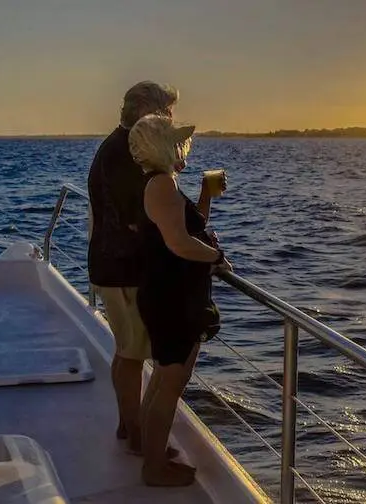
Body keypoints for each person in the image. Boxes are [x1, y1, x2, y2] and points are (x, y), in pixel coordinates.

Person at [128, 113, 231, 486]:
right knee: (169, 384)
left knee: (163, 379)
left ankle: (148, 451)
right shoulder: (161, 186)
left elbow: (186, 229)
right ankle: (152, 468)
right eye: (177, 142)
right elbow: (179, 243)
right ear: (163, 146)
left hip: (169, 295)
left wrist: (204, 196)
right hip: (172, 300)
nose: (183, 147)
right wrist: (217, 258)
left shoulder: (163, 184)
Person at [87, 81, 180, 454]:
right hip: (123, 269)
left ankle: (128, 426)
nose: (169, 120)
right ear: (144, 109)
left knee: (126, 350)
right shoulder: (125, 151)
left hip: (109, 265)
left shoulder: (116, 145)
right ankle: (138, 436)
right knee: (131, 354)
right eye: (165, 112)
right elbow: (137, 217)